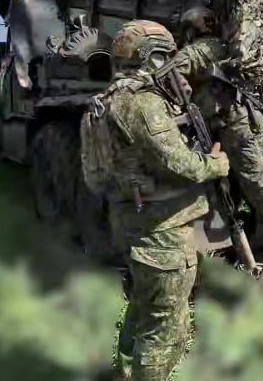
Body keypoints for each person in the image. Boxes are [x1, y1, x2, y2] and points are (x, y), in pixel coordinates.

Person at [80, 20, 230, 381]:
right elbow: (180, 164)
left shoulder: (102, 102)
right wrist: (216, 164)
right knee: (166, 331)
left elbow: (94, 175)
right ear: (153, 56)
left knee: (143, 307)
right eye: (166, 56)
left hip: (129, 221)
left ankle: (124, 369)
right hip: (159, 231)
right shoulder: (142, 103)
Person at [170, 6, 263, 263]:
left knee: (258, 185)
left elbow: (172, 70)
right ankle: (261, 245)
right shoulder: (223, 46)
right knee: (247, 187)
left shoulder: (203, 48)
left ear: (192, 29)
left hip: (231, 124)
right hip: (236, 121)